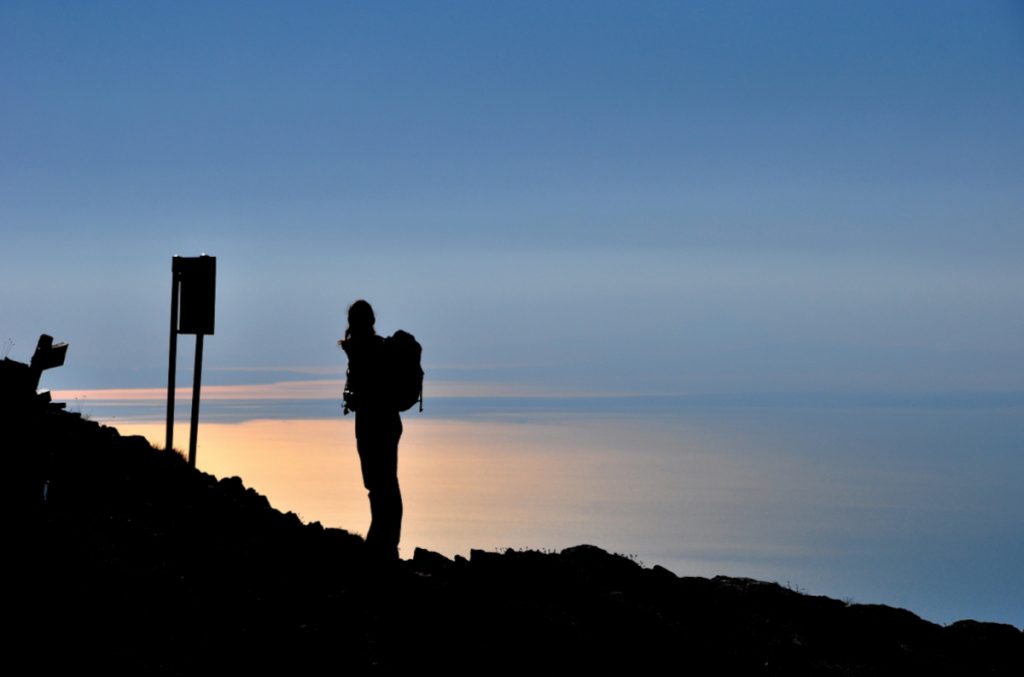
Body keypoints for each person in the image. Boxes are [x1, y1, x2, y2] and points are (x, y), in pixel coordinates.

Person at [340, 300, 404, 562]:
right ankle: (385, 543)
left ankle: (383, 545)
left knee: (380, 485)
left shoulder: (357, 349)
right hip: (386, 422)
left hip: (371, 423)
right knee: (384, 484)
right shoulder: (377, 348)